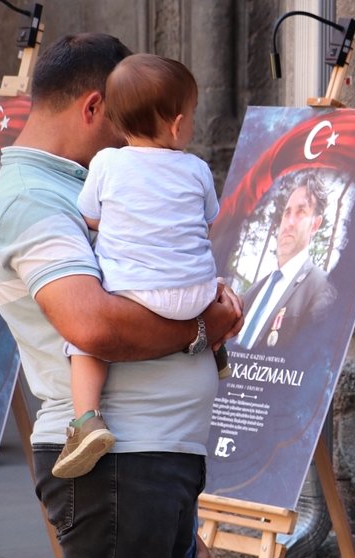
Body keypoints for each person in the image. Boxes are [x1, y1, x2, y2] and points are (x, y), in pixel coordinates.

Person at [0, 33, 242, 558]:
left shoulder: (89, 185)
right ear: (97, 107)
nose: (138, 147)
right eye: (129, 126)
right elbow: (92, 325)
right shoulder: (33, 198)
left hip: (152, 459)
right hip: (124, 464)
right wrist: (200, 329)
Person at [56, 53, 228, 479]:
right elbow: (208, 221)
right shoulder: (197, 168)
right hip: (197, 296)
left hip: (134, 292)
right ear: (176, 124)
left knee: (84, 342)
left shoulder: (106, 163)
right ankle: (219, 351)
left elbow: (89, 215)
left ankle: (87, 421)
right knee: (221, 283)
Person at [236, 170, 336, 351]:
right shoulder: (253, 291)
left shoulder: (321, 287)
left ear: (315, 224)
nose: (289, 222)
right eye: (287, 212)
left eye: (301, 212)